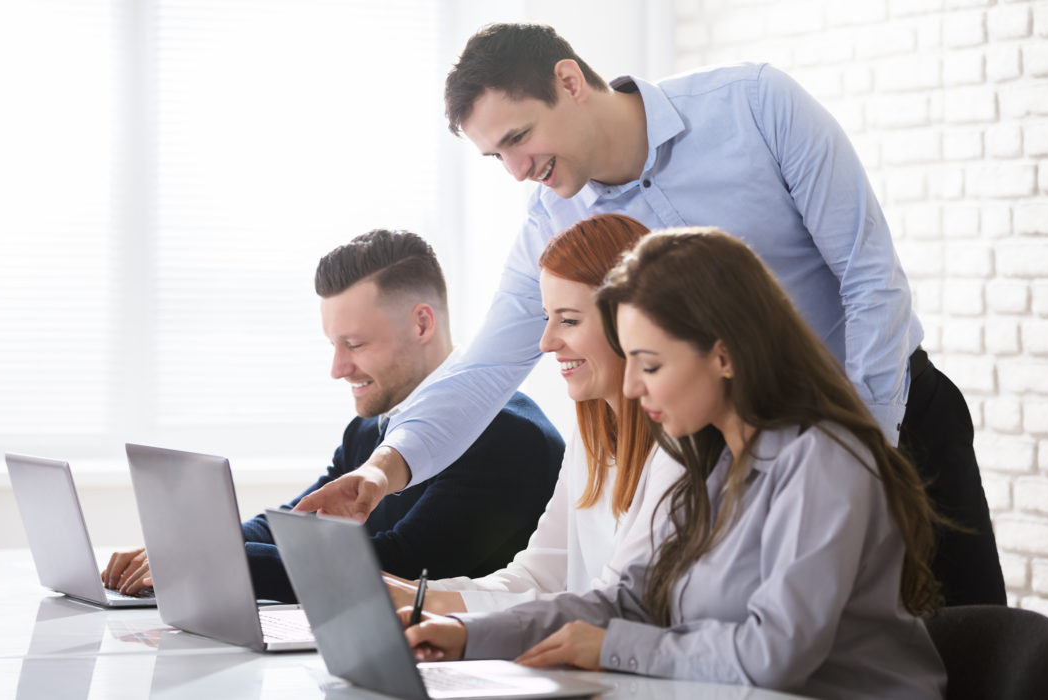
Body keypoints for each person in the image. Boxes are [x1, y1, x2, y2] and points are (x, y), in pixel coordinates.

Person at [298, 23, 1004, 606]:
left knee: (967, 649)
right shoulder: (552, 219)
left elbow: (871, 279)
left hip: (889, 417)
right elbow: (486, 368)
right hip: (741, 458)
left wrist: (852, 455)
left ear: (569, 82)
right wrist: (384, 472)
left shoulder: (757, 106)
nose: (515, 170)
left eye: (518, 138)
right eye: (495, 157)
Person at [403, 228, 948, 700]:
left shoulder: (823, 460)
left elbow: (775, 654)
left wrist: (614, 647)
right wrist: (468, 633)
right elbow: (625, 601)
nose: (633, 386)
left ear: (725, 355)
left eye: (651, 364)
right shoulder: (697, 455)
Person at [101, 229, 565, 602]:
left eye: (356, 345)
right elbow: (291, 525)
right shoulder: (368, 428)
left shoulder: (508, 434)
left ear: (423, 323)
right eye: (334, 345)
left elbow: (399, 568)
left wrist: (210, 559)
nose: (338, 369)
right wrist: (187, 546)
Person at [387, 214, 681, 615]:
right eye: (548, 318)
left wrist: (433, 609)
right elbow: (538, 576)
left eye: (570, 320)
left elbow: (616, 606)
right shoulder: (590, 438)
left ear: (633, 322)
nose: (546, 342)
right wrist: (416, 597)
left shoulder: (680, 449)